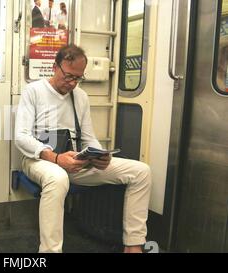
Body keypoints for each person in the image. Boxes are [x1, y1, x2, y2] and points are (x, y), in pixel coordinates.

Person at [14, 44, 152, 253]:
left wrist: (99, 155)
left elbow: (88, 138)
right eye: (68, 76)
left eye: (77, 78)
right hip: (38, 160)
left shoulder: (80, 96)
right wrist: (56, 158)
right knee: (57, 177)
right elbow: (21, 137)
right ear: (55, 67)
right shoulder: (33, 91)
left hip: (75, 161)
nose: (72, 83)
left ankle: (133, 245)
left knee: (141, 172)